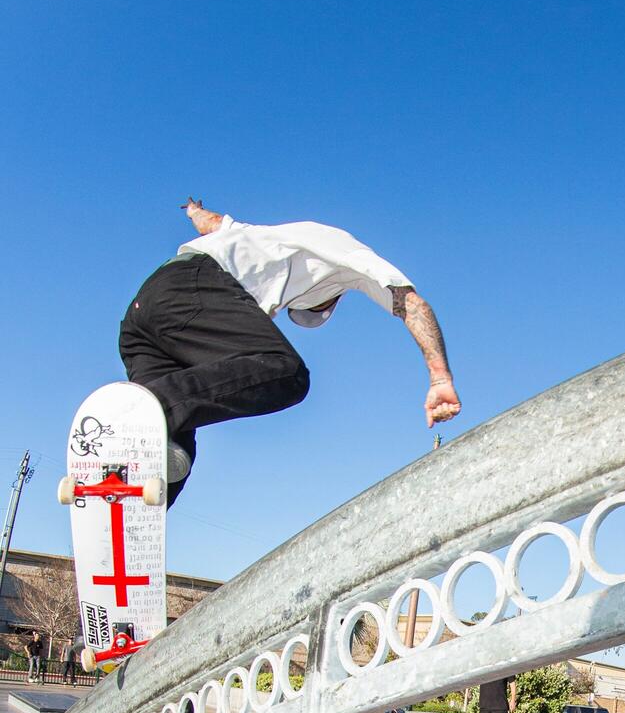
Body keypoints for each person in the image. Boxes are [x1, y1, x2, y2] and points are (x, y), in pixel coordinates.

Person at [118, 198, 462, 505]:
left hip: (145, 309)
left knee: (169, 453)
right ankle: (140, 411)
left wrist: (194, 210)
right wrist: (440, 377)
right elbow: (411, 304)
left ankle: (121, 499)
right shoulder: (350, 257)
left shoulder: (261, 237)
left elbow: (213, 223)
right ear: (330, 301)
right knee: (284, 372)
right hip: (192, 285)